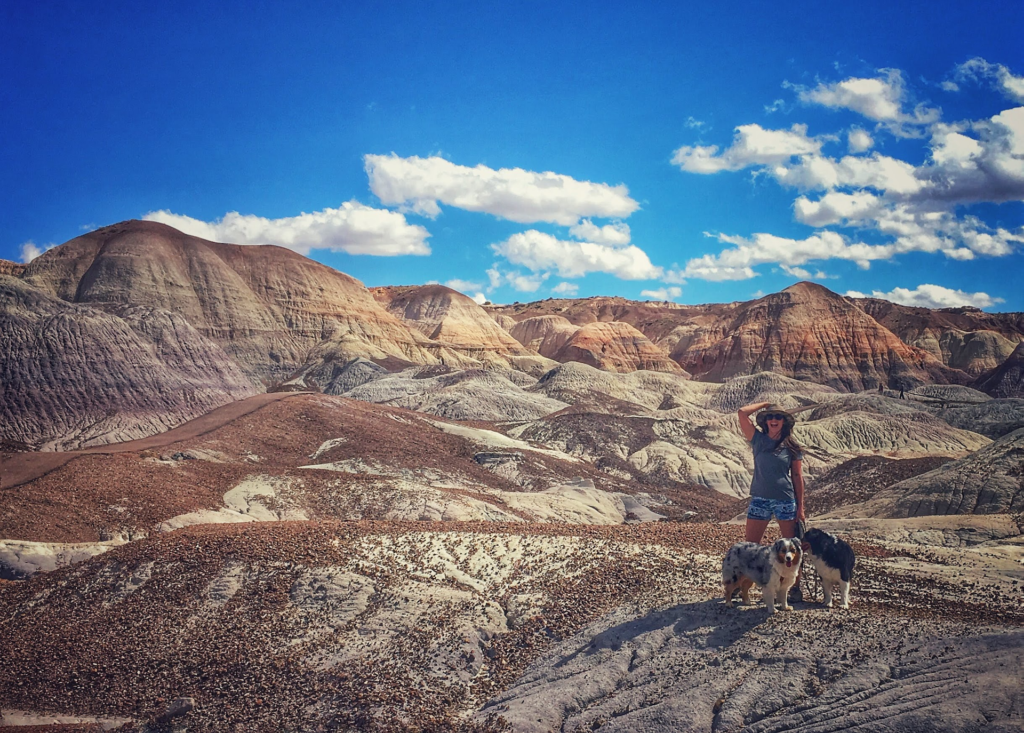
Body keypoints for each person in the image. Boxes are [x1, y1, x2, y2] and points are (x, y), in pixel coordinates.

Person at [737, 401, 806, 601]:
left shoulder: (792, 447)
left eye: (778, 417)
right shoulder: (757, 439)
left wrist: (801, 508)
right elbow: (742, 413)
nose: (774, 420)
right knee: (751, 547)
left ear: (784, 422)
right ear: (765, 421)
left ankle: (793, 589)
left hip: (785, 500)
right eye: (770, 417)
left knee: (792, 548)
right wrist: (766, 404)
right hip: (760, 499)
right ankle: (744, 586)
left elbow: (797, 477)